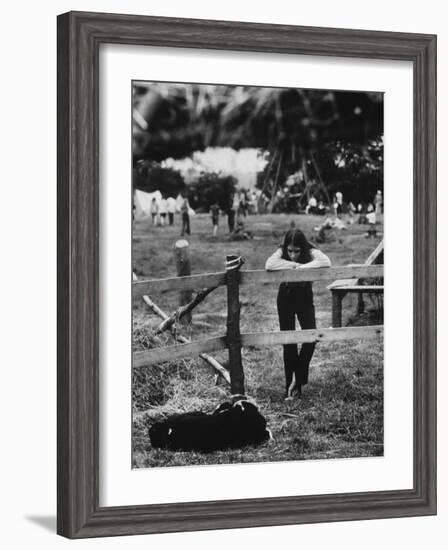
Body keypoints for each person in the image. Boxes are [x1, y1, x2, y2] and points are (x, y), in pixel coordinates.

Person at [265, 228, 331, 399]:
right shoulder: (282, 249)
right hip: (285, 296)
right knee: (289, 342)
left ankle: (298, 378)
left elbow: (326, 261)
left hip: (304, 296)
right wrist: (292, 265)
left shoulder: (310, 250)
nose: (293, 254)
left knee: (311, 337)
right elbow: (269, 264)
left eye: (297, 251)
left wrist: (302, 267)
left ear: (302, 247)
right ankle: (291, 389)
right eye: (289, 251)